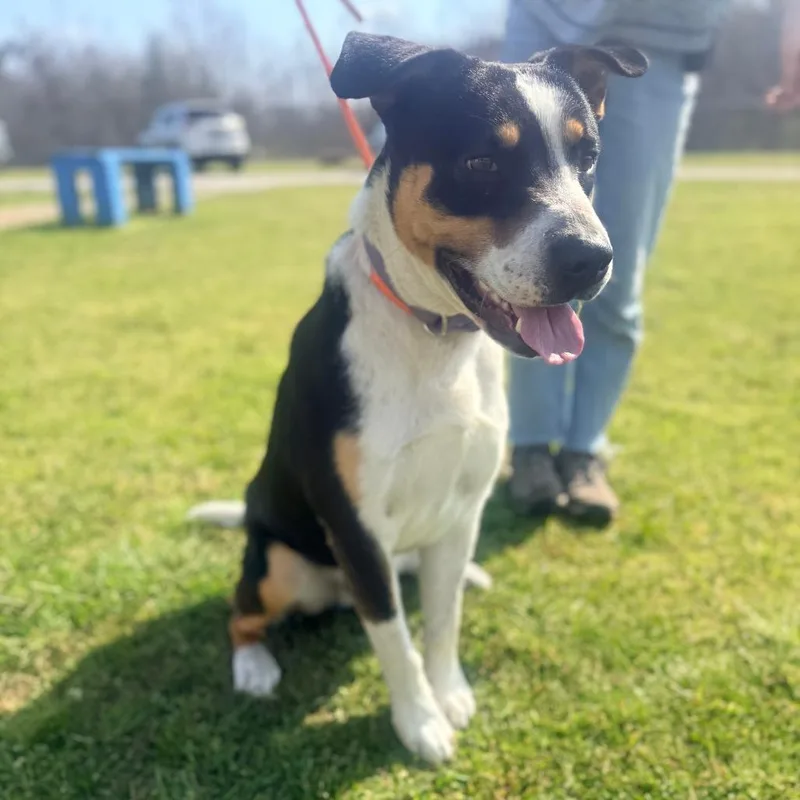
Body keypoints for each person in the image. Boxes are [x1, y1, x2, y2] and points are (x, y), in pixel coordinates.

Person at [504, 0, 800, 524]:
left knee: (618, 280)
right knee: (523, 270)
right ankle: (530, 447)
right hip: (548, 15)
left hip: (662, 41)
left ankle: (583, 451)